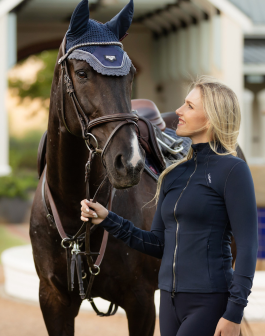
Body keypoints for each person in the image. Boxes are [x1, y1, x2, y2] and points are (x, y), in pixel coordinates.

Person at [80, 76, 258, 336]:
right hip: (168, 302)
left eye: (189, 106)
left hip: (209, 301)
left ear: (210, 119)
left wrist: (234, 312)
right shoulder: (172, 175)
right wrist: (108, 219)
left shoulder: (233, 170)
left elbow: (248, 247)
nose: (178, 112)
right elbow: (158, 243)